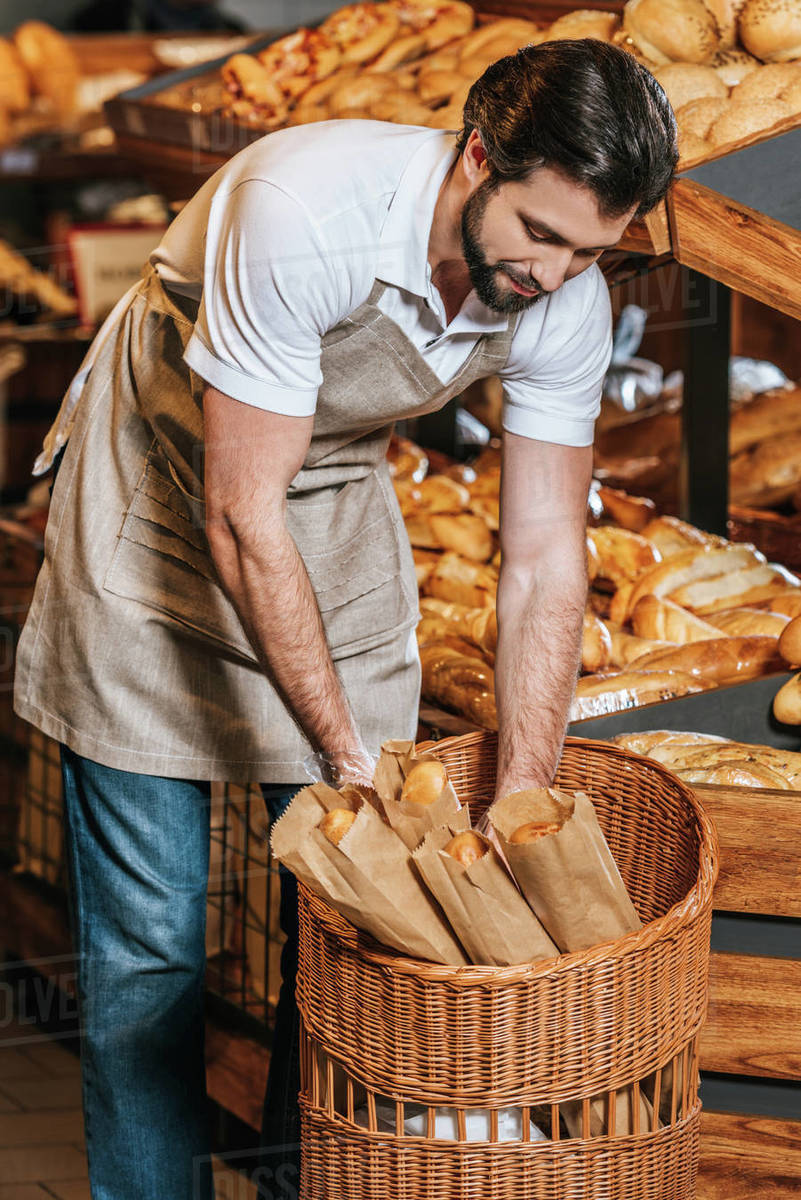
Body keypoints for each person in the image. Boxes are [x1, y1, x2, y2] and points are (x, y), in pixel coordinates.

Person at [14, 38, 677, 1200]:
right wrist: (342, 753)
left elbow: (541, 565)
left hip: (328, 505)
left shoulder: (565, 297)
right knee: (150, 959)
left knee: (354, 939)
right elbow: (237, 516)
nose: (561, 275)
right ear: (478, 157)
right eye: (542, 235)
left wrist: (525, 789)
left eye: (593, 251)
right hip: (164, 497)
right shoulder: (305, 209)